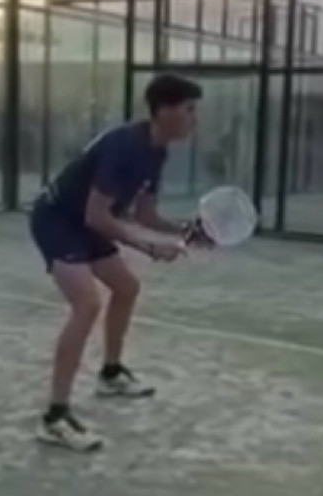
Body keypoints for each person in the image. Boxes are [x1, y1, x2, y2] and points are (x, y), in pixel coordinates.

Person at [30, 73, 202, 452]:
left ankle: (110, 373)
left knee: (127, 287)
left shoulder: (157, 151)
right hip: (57, 219)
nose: (195, 119)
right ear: (164, 111)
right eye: (189, 110)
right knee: (87, 304)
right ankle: (55, 418)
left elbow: (144, 214)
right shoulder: (126, 146)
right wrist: (149, 247)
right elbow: (97, 216)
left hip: (85, 221)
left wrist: (186, 230)